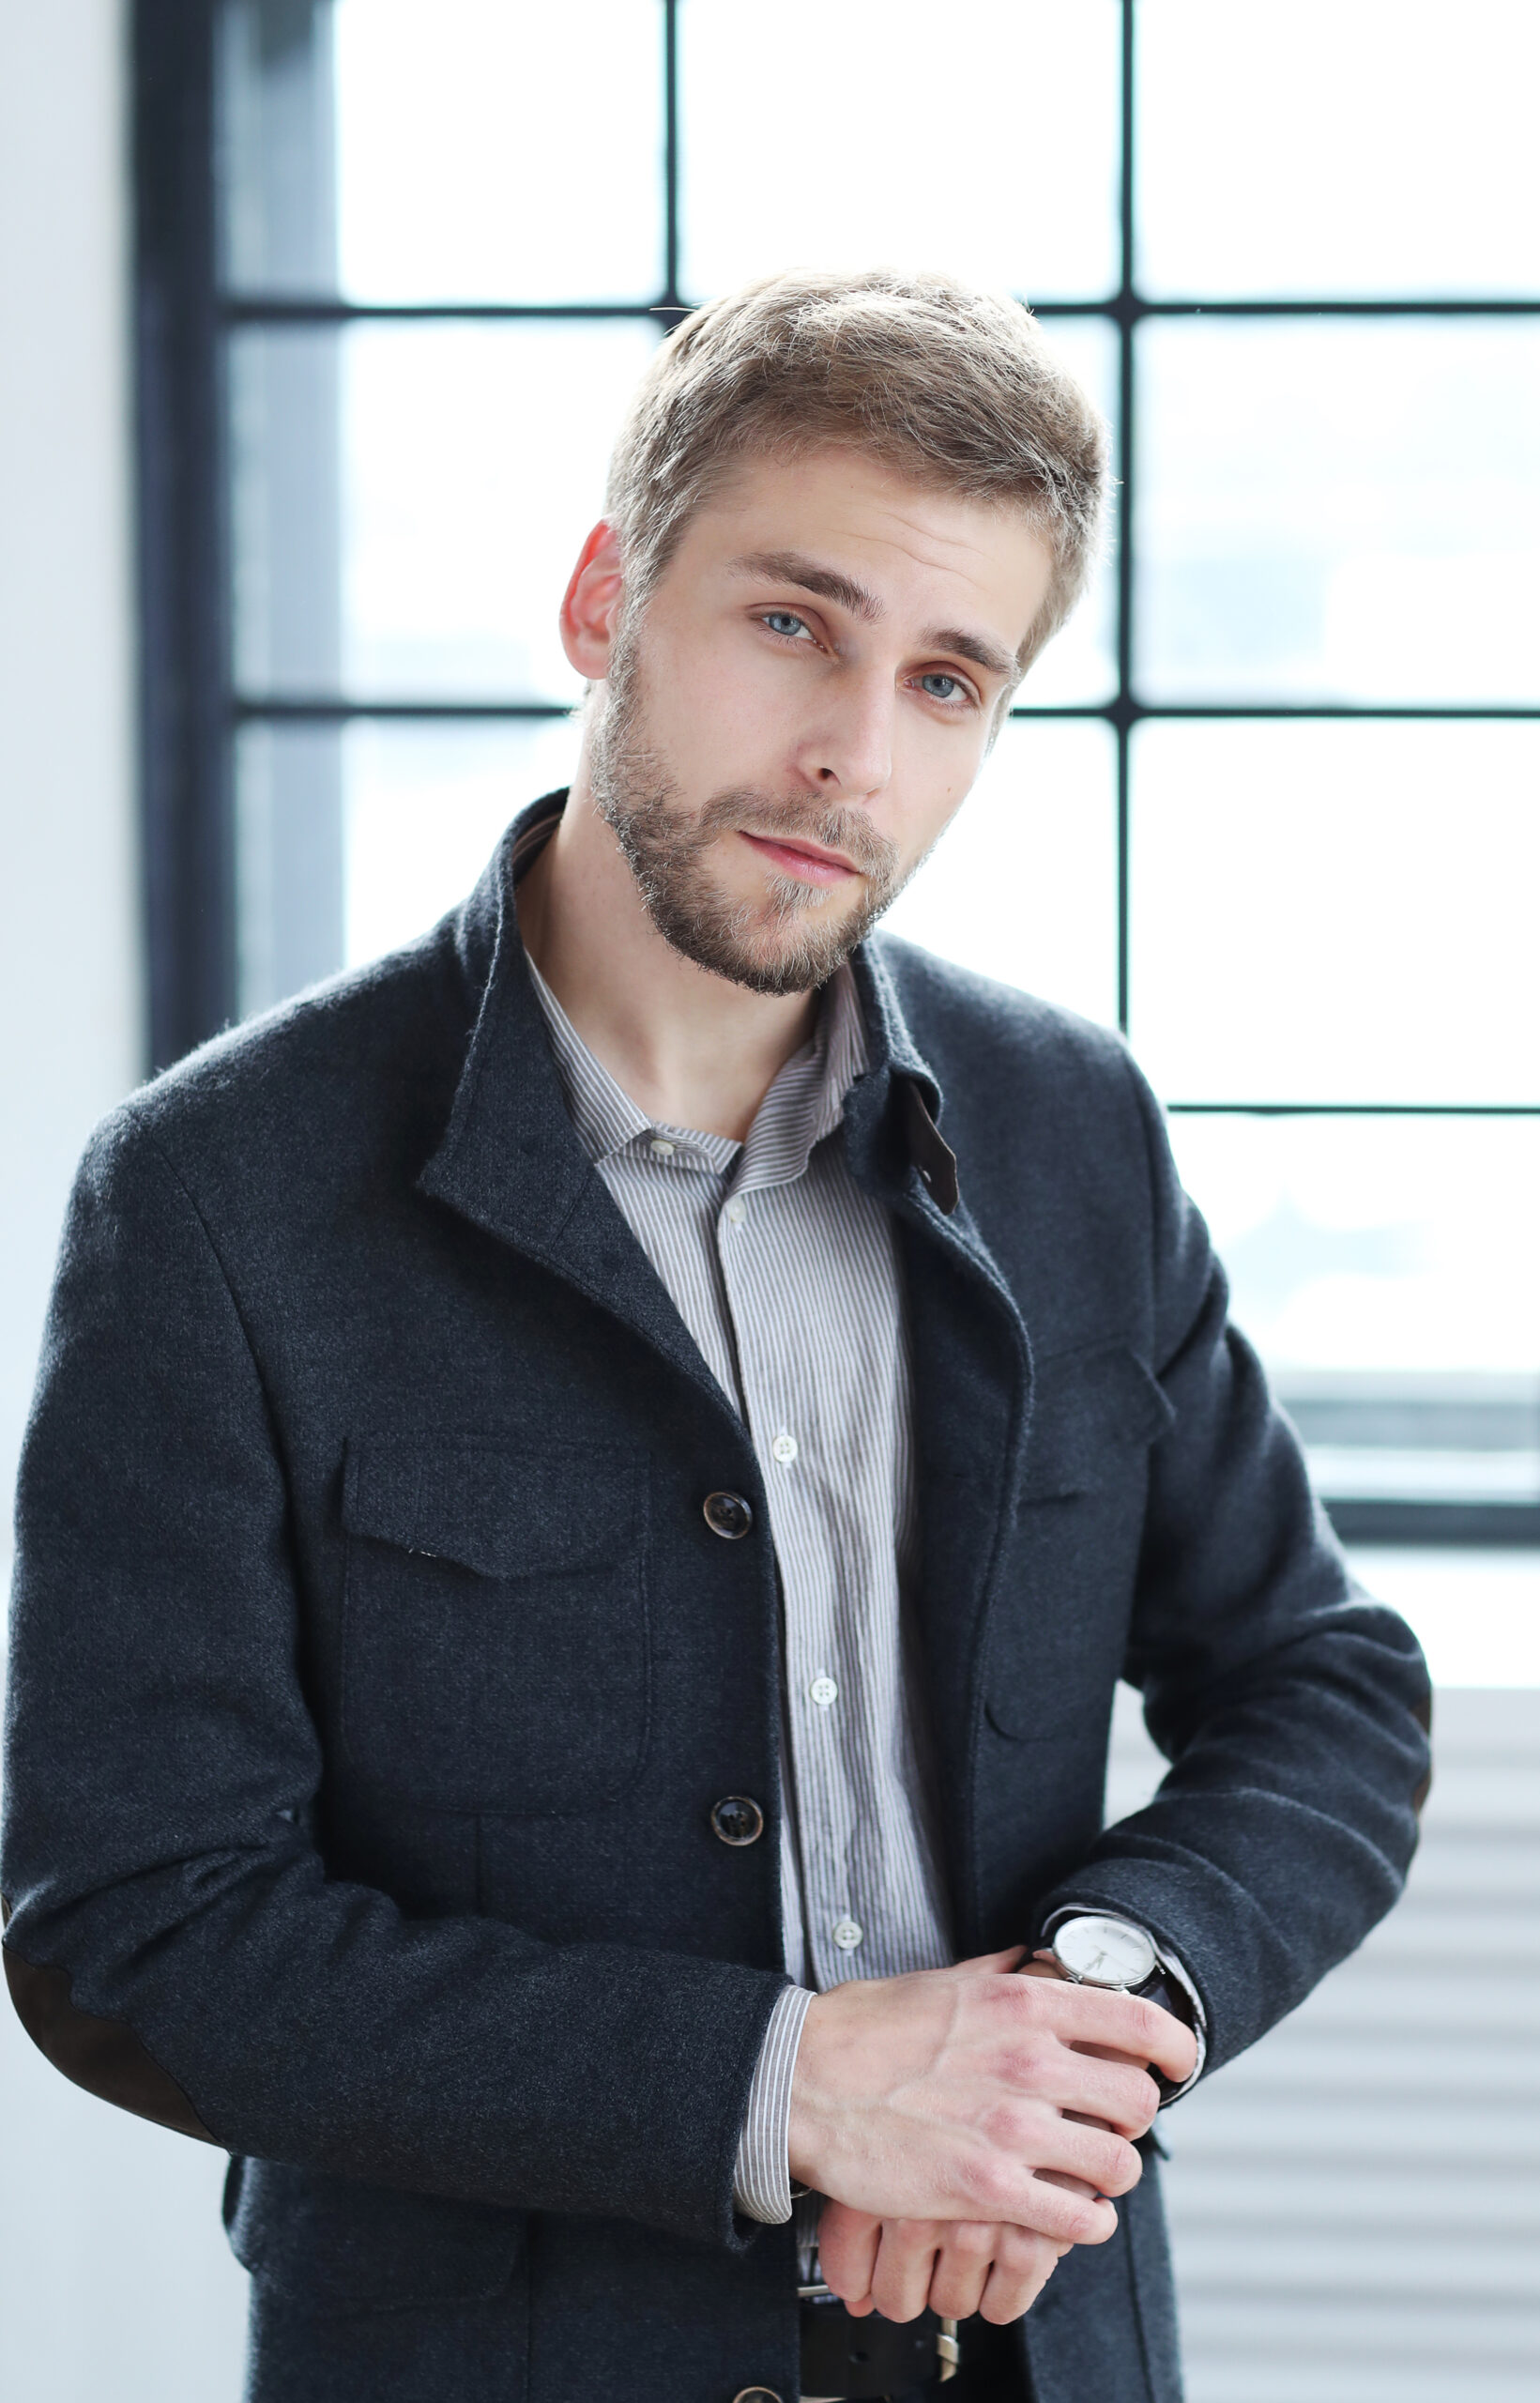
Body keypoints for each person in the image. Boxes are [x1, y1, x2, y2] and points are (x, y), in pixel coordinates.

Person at [2, 269, 1429, 2403]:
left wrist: (1084, 2009)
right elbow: (141, 1921)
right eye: (791, 623)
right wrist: (795, 2083)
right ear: (602, 599)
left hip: (1032, 2351)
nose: (853, 747)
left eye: (945, 679)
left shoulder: (1071, 1132)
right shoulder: (214, 1193)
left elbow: (1318, 1679)